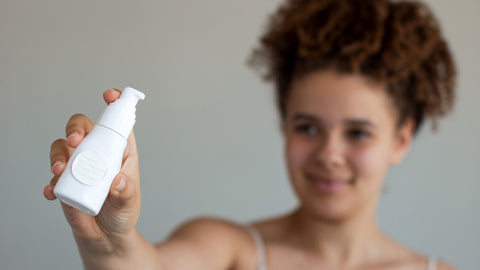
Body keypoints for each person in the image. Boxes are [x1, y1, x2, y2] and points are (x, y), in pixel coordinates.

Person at [44, 0, 458, 269]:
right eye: (308, 127)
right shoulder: (228, 251)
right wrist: (109, 240)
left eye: (358, 133)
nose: (330, 153)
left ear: (400, 140)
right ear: (284, 125)